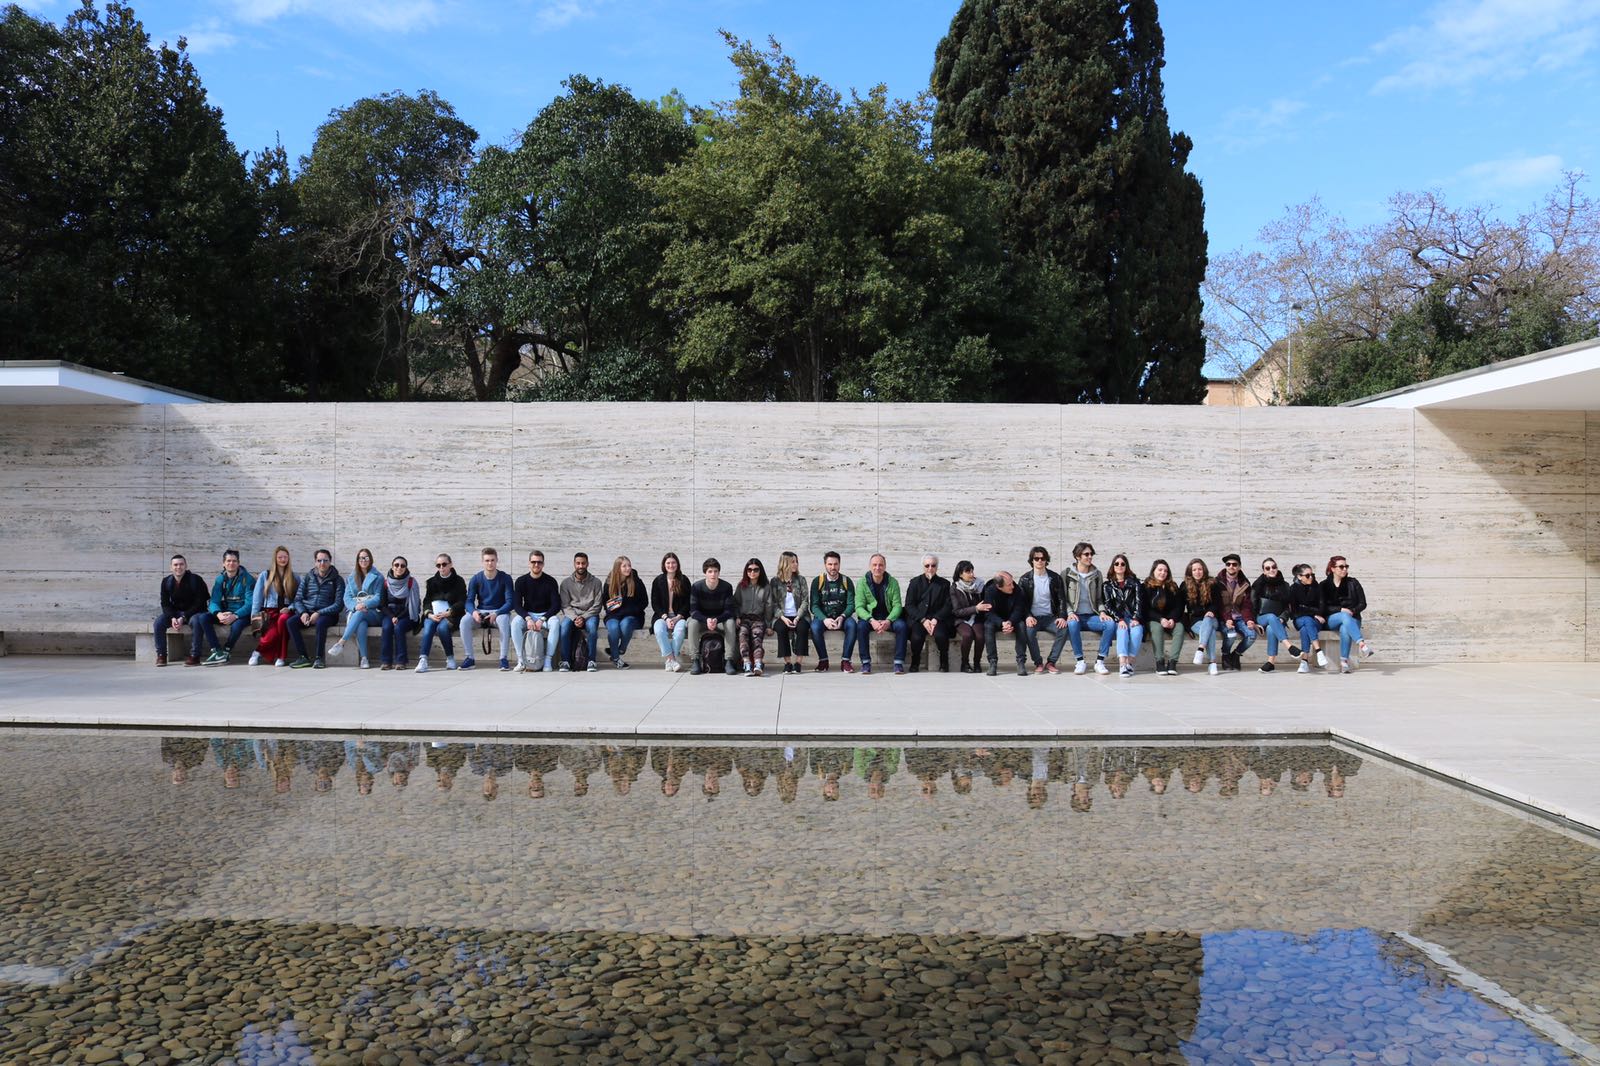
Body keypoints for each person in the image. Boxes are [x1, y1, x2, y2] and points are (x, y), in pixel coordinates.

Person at [284, 548, 343, 669]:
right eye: (319, 560)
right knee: (291, 622)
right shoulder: (308, 577)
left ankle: (319, 658)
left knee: (321, 623)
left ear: (330, 561)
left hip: (328, 614)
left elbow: (338, 604)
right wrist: (303, 612)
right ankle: (303, 657)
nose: (322, 563)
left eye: (325, 560)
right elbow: (298, 599)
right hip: (308, 612)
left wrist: (319, 613)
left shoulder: (337, 579)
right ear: (315, 562)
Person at [461, 547, 514, 671]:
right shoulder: (476, 579)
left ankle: (503, 659)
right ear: (482, 562)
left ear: (497, 560)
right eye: (487, 560)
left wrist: (497, 613)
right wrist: (474, 612)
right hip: (481, 612)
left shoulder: (505, 578)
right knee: (464, 621)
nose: (490, 563)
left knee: (503, 620)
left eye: (492, 560)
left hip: (499, 612)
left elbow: (510, 602)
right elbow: (469, 601)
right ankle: (469, 658)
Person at [1064, 542, 1113, 675]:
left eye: (1091, 554)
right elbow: (1063, 599)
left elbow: (1099, 598)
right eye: (1086, 554)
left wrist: (1102, 612)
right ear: (1077, 556)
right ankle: (1080, 661)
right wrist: (1070, 612)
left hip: (1092, 616)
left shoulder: (1097, 574)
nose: (1090, 557)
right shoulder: (1067, 574)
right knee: (1072, 624)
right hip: (1075, 616)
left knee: (1110, 624)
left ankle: (1100, 661)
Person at [1017, 546, 1068, 674]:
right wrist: (1028, 616)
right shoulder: (1024, 579)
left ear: (1046, 560)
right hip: (1033, 617)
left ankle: (1051, 662)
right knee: (1029, 632)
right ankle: (1038, 663)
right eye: (1036, 558)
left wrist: (1062, 616)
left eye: (1043, 558)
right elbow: (1021, 602)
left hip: (1050, 617)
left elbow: (1062, 600)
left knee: (1063, 630)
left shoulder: (1055, 578)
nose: (1040, 561)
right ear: (1032, 560)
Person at [152, 554, 210, 667]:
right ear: (171, 567)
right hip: (176, 613)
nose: (178, 567)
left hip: (195, 612)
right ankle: (161, 655)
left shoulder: (196, 580)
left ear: (186, 566)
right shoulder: (166, 581)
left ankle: (195, 656)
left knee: (196, 621)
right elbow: (165, 604)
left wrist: (184, 617)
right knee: (158, 622)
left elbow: (200, 602)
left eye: (181, 564)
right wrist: (172, 617)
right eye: (175, 565)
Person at [854, 553, 907, 674]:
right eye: (874, 565)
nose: (877, 568)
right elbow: (859, 607)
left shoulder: (893, 582)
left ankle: (898, 663)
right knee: (861, 626)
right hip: (870, 618)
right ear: (870, 566)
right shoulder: (862, 583)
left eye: (880, 565)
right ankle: (865, 663)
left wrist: (889, 620)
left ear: (885, 566)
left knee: (902, 626)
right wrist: (871, 620)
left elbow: (897, 605)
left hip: (889, 617)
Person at [1320, 555, 1374, 672]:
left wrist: (1353, 611)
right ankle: (1362, 645)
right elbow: (1323, 607)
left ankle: (1344, 662)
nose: (1344, 569)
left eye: (1346, 566)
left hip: (1353, 619)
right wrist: (1341, 609)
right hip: (1331, 620)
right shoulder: (1323, 585)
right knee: (1344, 615)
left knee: (1345, 628)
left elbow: (1363, 603)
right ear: (1332, 569)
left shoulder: (1353, 583)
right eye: (1341, 567)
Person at [198, 550, 253, 666]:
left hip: (242, 614)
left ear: (238, 563)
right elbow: (214, 601)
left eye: (234, 561)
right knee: (203, 618)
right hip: (225, 612)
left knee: (237, 625)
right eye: (228, 561)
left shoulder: (248, 579)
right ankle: (217, 652)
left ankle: (227, 651)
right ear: (223, 563)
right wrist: (218, 614)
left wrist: (235, 615)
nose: (231, 563)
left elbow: (250, 604)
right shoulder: (220, 579)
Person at [511, 550, 561, 672]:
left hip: (545, 616)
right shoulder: (521, 581)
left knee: (555, 622)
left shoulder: (550, 581)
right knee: (515, 623)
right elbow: (517, 605)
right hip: (528, 615)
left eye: (539, 562)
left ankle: (547, 660)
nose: (536, 565)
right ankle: (521, 660)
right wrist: (527, 618)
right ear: (529, 563)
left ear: (543, 564)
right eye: (533, 562)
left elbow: (556, 605)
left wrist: (542, 619)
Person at [808, 551, 859, 672]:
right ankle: (823, 661)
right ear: (825, 565)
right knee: (814, 627)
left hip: (842, 617)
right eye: (830, 564)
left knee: (852, 625)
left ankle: (846, 661)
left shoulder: (846, 581)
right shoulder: (818, 581)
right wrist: (825, 619)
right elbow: (814, 606)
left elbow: (851, 604)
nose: (833, 567)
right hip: (824, 617)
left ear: (839, 564)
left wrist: (842, 616)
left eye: (836, 564)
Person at [686, 558, 738, 675]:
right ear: (705, 573)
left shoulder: (726, 587)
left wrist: (716, 620)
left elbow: (729, 611)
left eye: (715, 571)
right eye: (710, 571)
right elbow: (693, 611)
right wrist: (707, 620)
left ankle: (728, 660)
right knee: (692, 623)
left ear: (719, 572)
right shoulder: (696, 587)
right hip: (702, 621)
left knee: (730, 622)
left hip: (719, 621)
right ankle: (695, 660)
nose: (713, 574)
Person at [329, 548, 380, 668]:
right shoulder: (351, 577)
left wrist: (365, 604)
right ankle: (364, 659)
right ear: (357, 560)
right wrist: (356, 606)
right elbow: (346, 598)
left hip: (373, 613)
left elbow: (378, 597)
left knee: (360, 613)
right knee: (361, 623)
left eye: (366, 557)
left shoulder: (377, 576)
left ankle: (341, 642)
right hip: (357, 611)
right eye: (361, 558)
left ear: (370, 559)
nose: (363, 560)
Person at [416, 553, 466, 673]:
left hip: (451, 615)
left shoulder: (459, 581)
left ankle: (450, 658)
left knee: (442, 628)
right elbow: (427, 601)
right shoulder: (431, 582)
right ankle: (423, 659)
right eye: (438, 565)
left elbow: (462, 600)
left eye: (444, 564)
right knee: (428, 627)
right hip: (434, 614)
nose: (441, 567)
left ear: (451, 564)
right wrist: (429, 614)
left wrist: (450, 612)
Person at [904, 554, 954, 672]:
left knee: (941, 635)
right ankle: (915, 662)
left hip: (938, 619)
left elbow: (948, 605)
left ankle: (944, 662)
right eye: (927, 566)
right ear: (923, 566)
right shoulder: (915, 582)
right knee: (916, 637)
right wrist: (923, 620)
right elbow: (909, 605)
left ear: (937, 567)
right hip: (920, 618)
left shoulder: (944, 583)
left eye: (933, 565)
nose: (930, 568)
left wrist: (936, 618)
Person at [248, 546, 296, 667]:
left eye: (285, 557)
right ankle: (257, 652)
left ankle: (281, 657)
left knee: (283, 620)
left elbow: (299, 599)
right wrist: (254, 616)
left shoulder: (294, 577)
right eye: (280, 557)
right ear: (275, 558)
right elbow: (257, 597)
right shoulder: (265, 575)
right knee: (272, 634)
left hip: (286, 611)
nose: (283, 559)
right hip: (269, 612)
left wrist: (290, 608)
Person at [557, 552, 604, 672]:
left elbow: (597, 605)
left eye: (583, 563)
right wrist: (575, 618)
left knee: (592, 629)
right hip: (572, 614)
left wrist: (583, 617)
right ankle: (565, 661)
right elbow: (565, 605)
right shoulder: (566, 583)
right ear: (574, 564)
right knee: (564, 628)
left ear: (587, 564)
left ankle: (591, 661)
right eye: (578, 563)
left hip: (590, 614)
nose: (580, 566)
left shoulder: (596, 582)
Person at [602, 556, 648, 668]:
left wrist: (627, 608)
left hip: (633, 616)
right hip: (613, 615)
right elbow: (605, 604)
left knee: (625, 624)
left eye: (629, 565)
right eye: (624, 566)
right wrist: (617, 604)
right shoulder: (609, 582)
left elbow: (644, 602)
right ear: (618, 568)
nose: (628, 568)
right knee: (613, 628)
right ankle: (616, 658)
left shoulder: (636, 581)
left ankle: (620, 650)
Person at [1141, 560, 1186, 676]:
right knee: (1157, 628)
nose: (1163, 573)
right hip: (1153, 619)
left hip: (1170, 620)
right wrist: (1160, 619)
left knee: (1179, 628)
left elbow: (1179, 606)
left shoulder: (1173, 586)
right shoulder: (1145, 586)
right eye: (1160, 570)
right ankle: (1159, 662)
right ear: (1153, 571)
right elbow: (1145, 608)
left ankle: (1172, 662)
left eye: (1165, 571)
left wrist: (1172, 619)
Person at [769, 551, 810, 675]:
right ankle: (787, 663)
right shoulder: (775, 581)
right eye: (793, 562)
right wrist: (782, 617)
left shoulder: (801, 580)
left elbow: (805, 601)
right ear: (785, 563)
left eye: (796, 561)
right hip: (781, 616)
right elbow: (773, 603)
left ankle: (798, 663)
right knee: (781, 629)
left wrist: (797, 617)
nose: (796, 564)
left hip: (800, 615)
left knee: (803, 628)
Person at [1103, 553, 1144, 677]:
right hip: (1118, 618)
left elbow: (1139, 602)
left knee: (1137, 631)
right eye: (1117, 564)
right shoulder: (1107, 586)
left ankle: (1129, 663)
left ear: (1126, 566)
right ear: (1113, 566)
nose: (1119, 566)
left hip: (1132, 617)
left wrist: (1136, 618)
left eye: (1122, 564)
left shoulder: (1135, 583)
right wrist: (1119, 619)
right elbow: (1108, 605)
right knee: (1122, 631)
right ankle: (1122, 665)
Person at [1214, 553, 1257, 672]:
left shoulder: (1245, 583)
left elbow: (1247, 605)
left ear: (1239, 567)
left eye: (1234, 564)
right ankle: (1225, 655)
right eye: (1228, 564)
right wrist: (1227, 619)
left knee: (1252, 635)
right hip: (1223, 618)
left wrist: (1249, 620)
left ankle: (1236, 655)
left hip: (1240, 617)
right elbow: (1219, 605)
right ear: (1225, 566)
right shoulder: (1217, 582)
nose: (1231, 566)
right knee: (1231, 634)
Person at [650, 552, 692, 671]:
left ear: (677, 564)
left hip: (680, 616)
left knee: (680, 631)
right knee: (659, 630)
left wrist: (678, 617)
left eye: (673, 562)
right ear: (664, 565)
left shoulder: (684, 580)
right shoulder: (658, 580)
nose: (671, 565)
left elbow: (688, 602)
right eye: (668, 563)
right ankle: (672, 659)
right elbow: (655, 603)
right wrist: (666, 618)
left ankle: (669, 661)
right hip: (662, 616)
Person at [1250, 558, 1293, 674]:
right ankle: (1289, 646)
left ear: (1277, 568)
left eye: (1273, 567)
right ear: (1264, 571)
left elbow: (1288, 607)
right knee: (1271, 617)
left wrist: (1282, 618)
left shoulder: (1285, 585)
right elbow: (1252, 605)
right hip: (1261, 618)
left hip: (1277, 620)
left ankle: (1271, 663)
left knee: (1271, 628)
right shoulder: (1258, 585)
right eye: (1267, 568)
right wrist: (1254, 623)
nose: (1271, 570)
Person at [377, 556, 420, 670]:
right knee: (387, 628)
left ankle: (401, 661)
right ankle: (386, 661)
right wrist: (392, 617)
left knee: (398, 628)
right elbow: (382, 605)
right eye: (396, 565)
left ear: (406, 568)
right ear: (392, 567)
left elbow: (414, 605)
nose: (399, 568)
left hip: (407, 615)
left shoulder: (411, 582)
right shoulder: (386, 583)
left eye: (402, 565)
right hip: (390, 614)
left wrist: (398, 617)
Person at [733, 557, 774, 676]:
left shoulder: (766, 587)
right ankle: (746, 664)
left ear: (760, 571)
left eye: (756, 570)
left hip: (758, 619)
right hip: (744, 618)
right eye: (749, 570)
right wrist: (737, 616)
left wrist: (769, 625)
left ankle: (758, 664)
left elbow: (769, 607)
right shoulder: (741, 586)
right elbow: (735, 603)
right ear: (746, 571)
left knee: (757, 637)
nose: (752, 572)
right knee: (743, 635)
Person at [980, 570, 1024, 676]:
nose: (1012, 586)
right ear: (999, 587)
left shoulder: (1017, 589)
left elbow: (1019, 610)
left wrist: (1010, 622)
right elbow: (989, 613)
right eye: (1009, 585)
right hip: (996, 620)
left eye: (1012, 582)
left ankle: (1021, 661)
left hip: (1012, 620)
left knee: (1022, 625)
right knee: (988, 626)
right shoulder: (990, 591)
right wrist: (1002, 623)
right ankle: (993, 662)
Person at [1182, 558, 1220, 676]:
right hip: (1195, 621)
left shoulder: (1212, 583)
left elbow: (1218, 602)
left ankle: (1200, 649)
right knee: (1210, 632)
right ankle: (1212, 663)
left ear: (1204, 570)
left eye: (1200, 569)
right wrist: (1187, 627)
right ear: (1190, 571)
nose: (1197, 572)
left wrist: (1211, 611)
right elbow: (1180, 607)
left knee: (1208, 620)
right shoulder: (1185, 585)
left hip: (1212, 619)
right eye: (1194, 570)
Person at [1286, 564, 1325, 674]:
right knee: (1307, 620)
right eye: (1307, 575)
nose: (1311, 577)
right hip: (1299, 619)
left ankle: (1304, 662)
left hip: (1316, 622)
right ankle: (1318, 651)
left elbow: (1322, 608)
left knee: (1305, 629)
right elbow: (1294, 611)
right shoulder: (1293, 589)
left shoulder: (1317, 587)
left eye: (1312, 574)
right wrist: (1313, 614)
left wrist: (1305, 609)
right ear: (1299, 576)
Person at [949, 561, 985, 673]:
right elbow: (956, 611)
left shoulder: (979, 585)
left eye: (972, 571)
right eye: (968, 572)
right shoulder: (955, 588)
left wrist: (979, 609)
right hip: (961, 619)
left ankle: (977, 663)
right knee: (967, 635)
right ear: (960, 574)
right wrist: (976, 608)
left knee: (980, 636)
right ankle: (964, 663)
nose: (971, 574)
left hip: (976, 618)